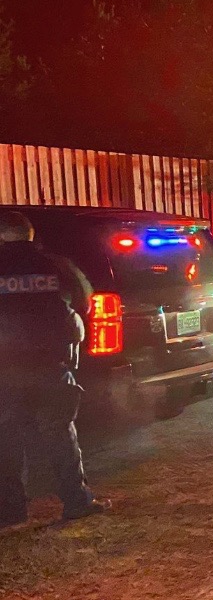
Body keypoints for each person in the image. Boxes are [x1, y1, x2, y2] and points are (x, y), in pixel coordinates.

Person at [0, 211, 108, 528]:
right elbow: (85, 301)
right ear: (30, 235)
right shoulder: (57, 265)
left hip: (5, 370)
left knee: (6, 438)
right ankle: (76, 502)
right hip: (52, 366)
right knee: (60, 434)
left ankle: (10, 511)